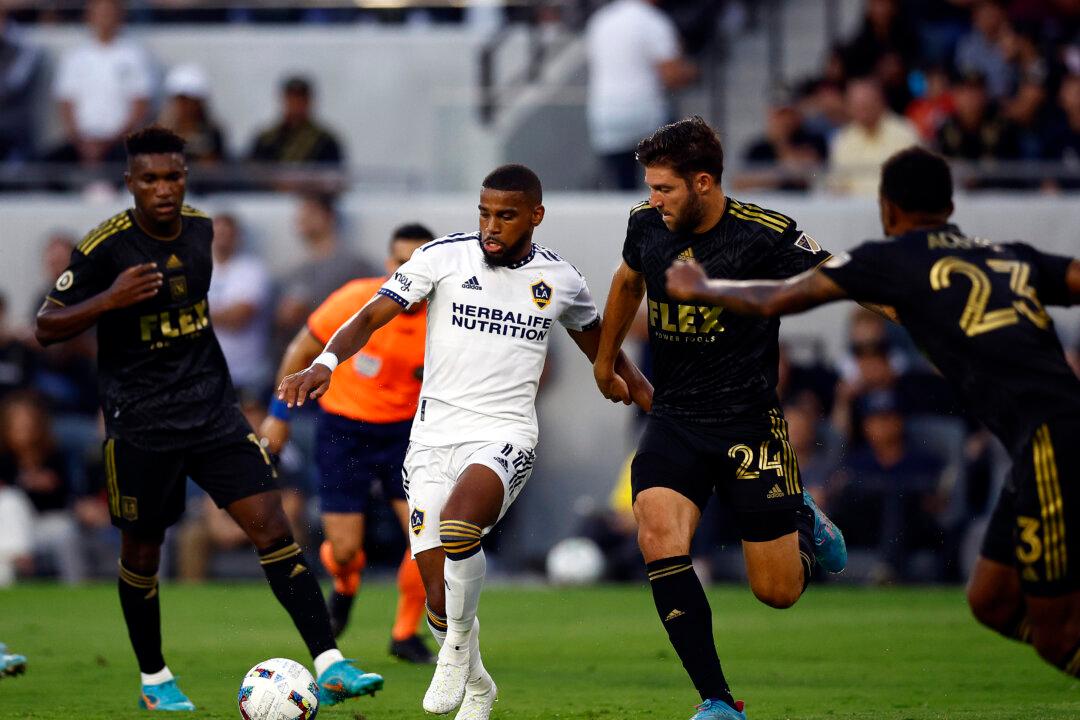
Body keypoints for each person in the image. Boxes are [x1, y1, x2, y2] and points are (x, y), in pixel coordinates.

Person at [663, 145, 1080, 679]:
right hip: (1039, 447)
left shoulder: (891, 261)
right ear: (949, 205)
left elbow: (779, 297)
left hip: (1052, 443)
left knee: (1056, 635)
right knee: (991, 603)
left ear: (888, 209)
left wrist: (706, 287)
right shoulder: (1009, 255)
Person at [278, 164, 651, 720]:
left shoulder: (560, 279)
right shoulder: (443, 257)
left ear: (535, 216)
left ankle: (452, 652)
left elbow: (604, 348)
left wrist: (654, 403)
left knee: (458, 528)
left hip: (504, 435)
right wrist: (327, 361)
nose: (491, 226)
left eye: (505, 215)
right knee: (436, 595)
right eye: (484, 213)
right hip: (431, 438)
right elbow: (372, 314)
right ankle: (478, 685)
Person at [34, 126, 384, 711]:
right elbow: (48, 325)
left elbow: (192, 318)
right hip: (140, 422)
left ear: (185, 178)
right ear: (130, 183)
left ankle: (329, 661)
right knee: (142, 554)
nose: (163, 188)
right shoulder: (105, 248)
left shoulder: (198, 230)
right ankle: (154, 679)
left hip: (210, 411)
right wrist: (109, 301)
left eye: (173, 176)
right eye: (150, 179)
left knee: (272, 524)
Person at [591, 116, 847, 720]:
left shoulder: (764, 234)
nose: (652, 201)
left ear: (703, 182)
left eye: (665, 189)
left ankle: (801, 518)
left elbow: (844, 277)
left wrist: (923, 308)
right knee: (656, 536)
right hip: (676, 418)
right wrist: (607, 361)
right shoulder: (646, 225)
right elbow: (629, 280)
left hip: (749, 425)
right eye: (650, 187)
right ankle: (716, 700)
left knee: (777, 593)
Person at [260, 222, 437, 663]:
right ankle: (345, 583)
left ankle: (404, 634)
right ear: (388, 264)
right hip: (345, 430)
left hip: (408, 433)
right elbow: (301, 351)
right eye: (401, 261)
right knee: (343, 549)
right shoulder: (358, 299)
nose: (409, 271)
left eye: (419, 262)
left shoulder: (448, 314)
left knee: (427, 539)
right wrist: (278, 416)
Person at [585, 0, 696, 190]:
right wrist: (693, 72)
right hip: (645, 112)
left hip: (604, 112)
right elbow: (671, 75)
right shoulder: (654, 22)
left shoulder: (600, 20)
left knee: (622, 185)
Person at [47, 0, 154, 167]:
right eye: (100, 12)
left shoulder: (135, 56)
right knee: (47, 164)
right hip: (81, 143)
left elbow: (140, 106)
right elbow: (66, 104)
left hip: (119, 143)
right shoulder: (75, 58)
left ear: (120, 16)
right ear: (89, 16)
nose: (104, 18)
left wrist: (111, 141)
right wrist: (81, 142)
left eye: (109, 13)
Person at [207, 213, 272, 399]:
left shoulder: (252, 270)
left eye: (227, 234)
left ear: (237, 237)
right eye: (217, 233)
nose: (222, 239)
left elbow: (238, 319)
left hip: (245, 375)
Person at [829, 77, 920, 195]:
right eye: (857, 106)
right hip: (853, 209)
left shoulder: (905, 132)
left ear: (880, 102)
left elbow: (915, 182)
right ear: (849, 108)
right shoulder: (843, 139)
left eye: (866, 105)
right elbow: (836, 186)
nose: (862, 111)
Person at [249, 76, 343, 165]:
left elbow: (333, 175)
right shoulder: (266, 139)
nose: (296, 104)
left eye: (300, 99)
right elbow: (252, 171)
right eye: (292, 99)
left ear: (309, 101)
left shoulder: (325, 141)